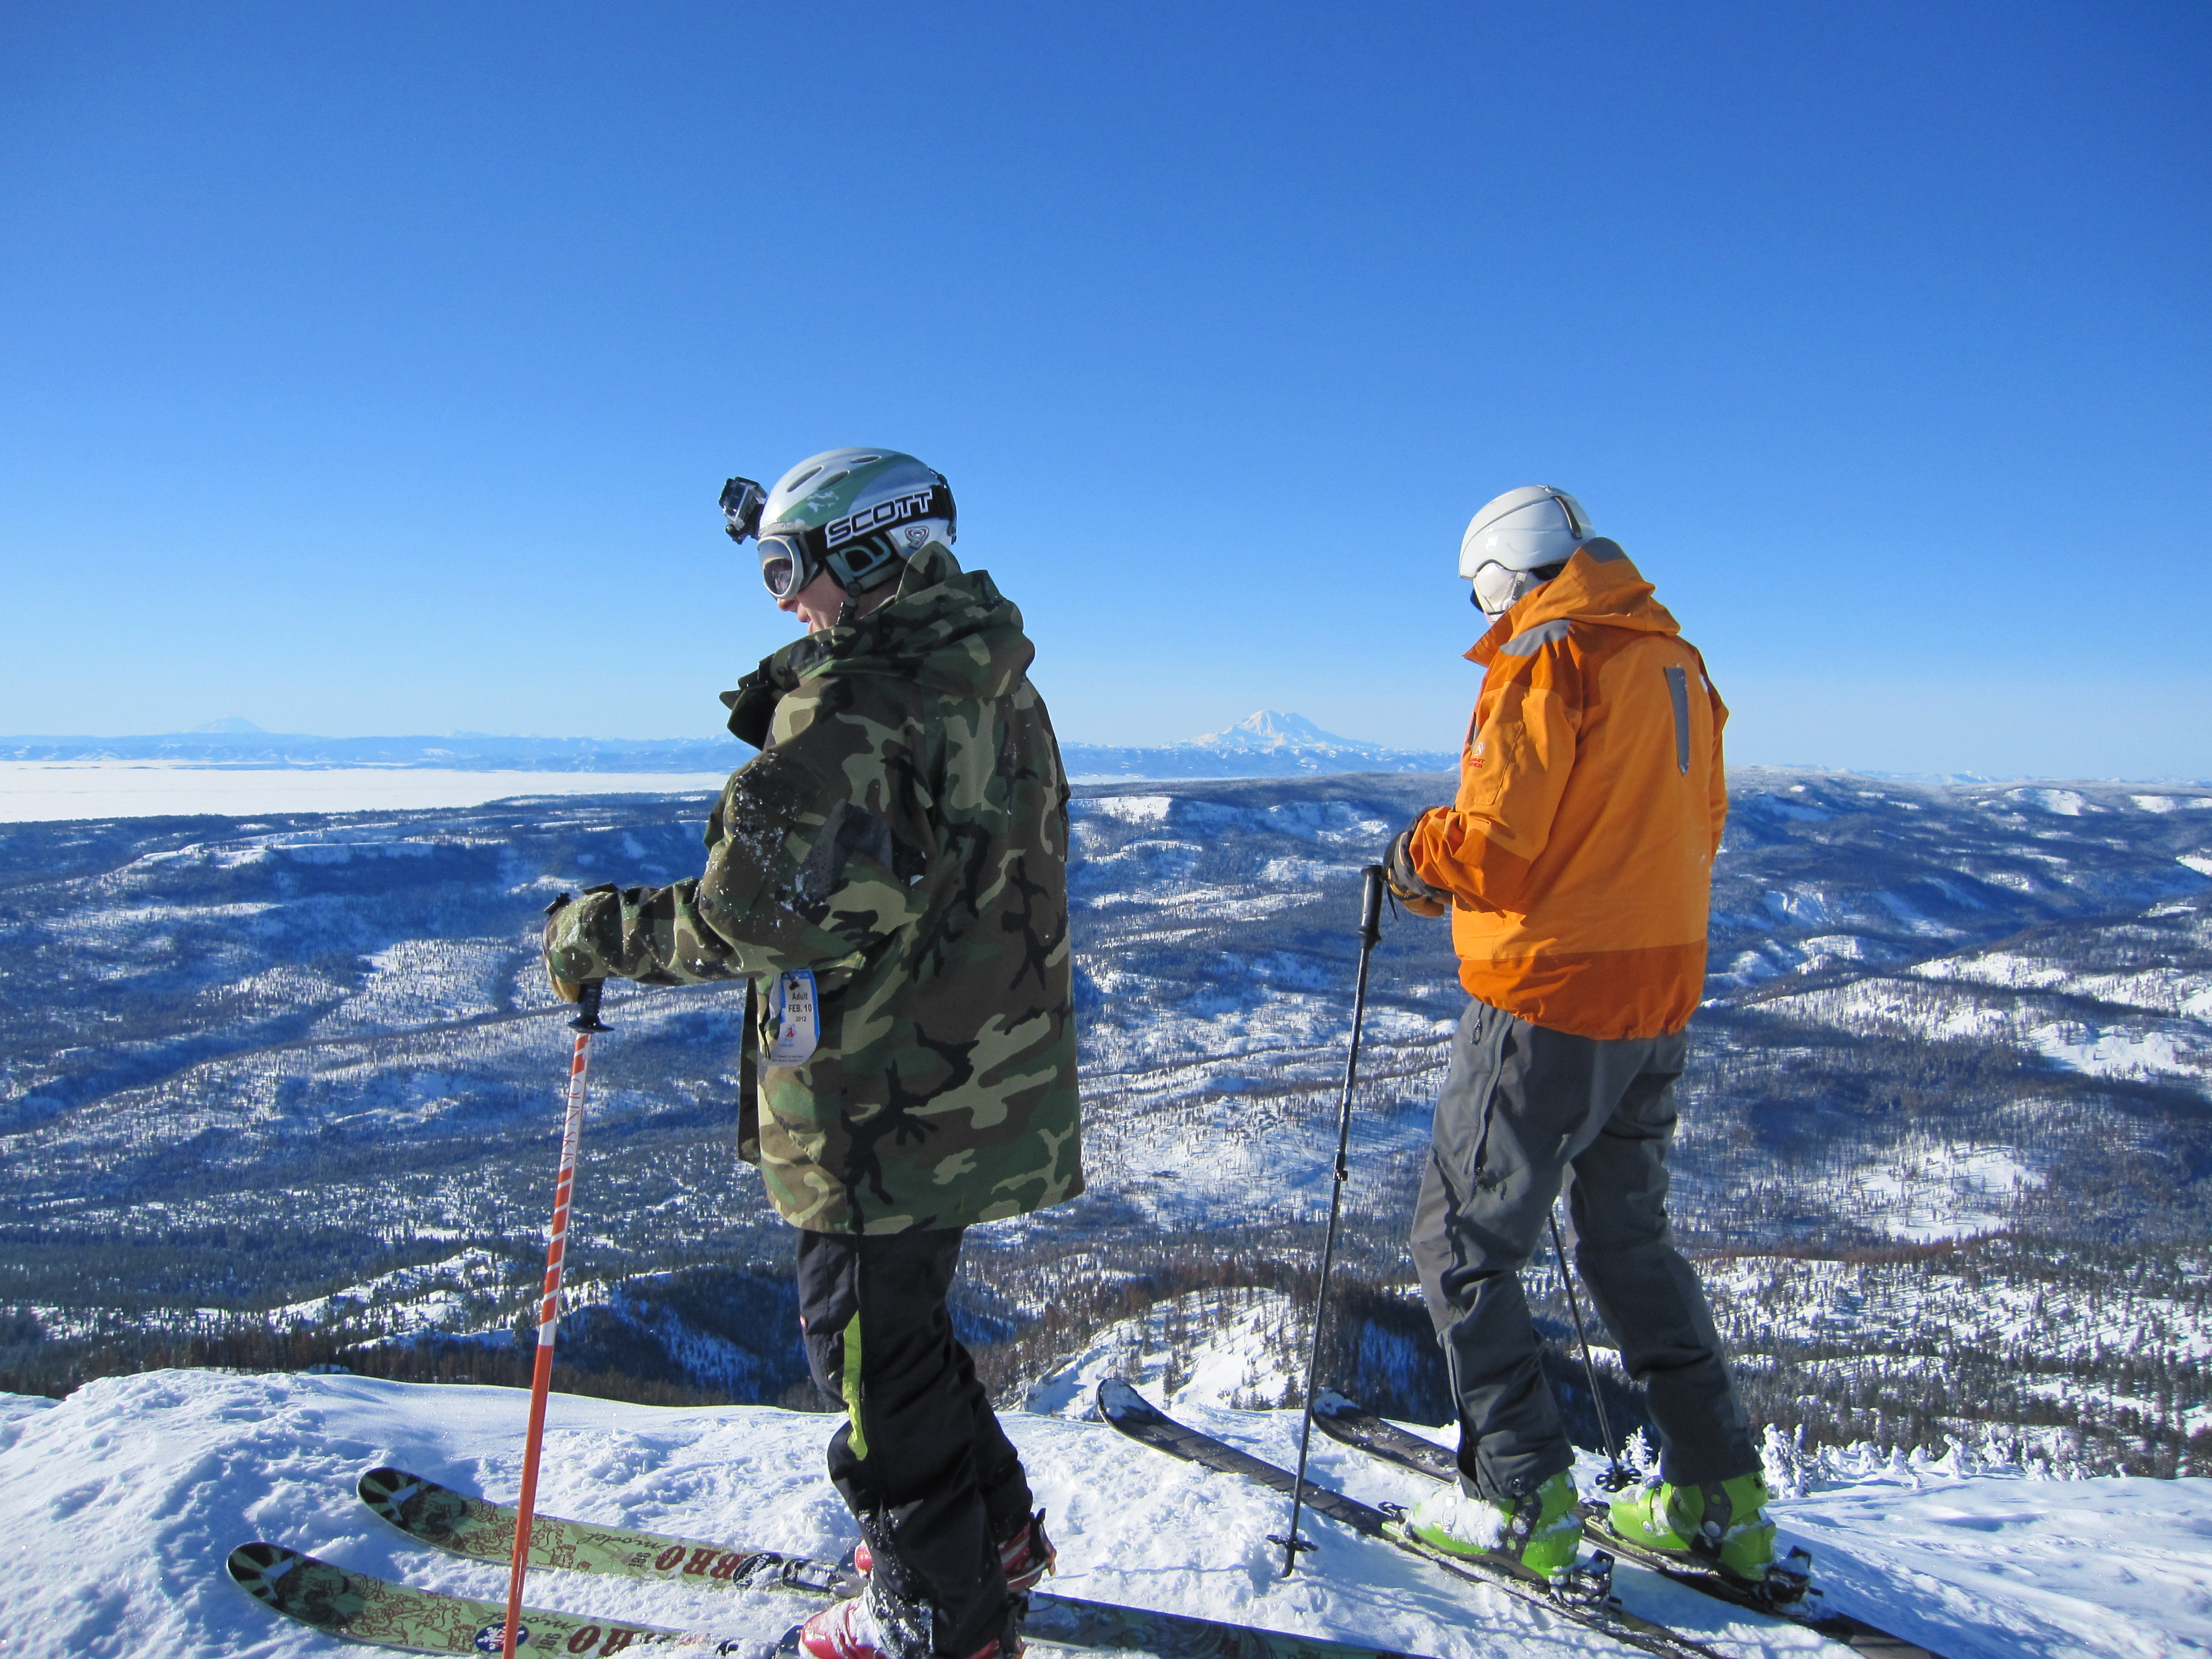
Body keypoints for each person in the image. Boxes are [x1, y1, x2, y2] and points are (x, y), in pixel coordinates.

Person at [541, 447, 1082, 1659]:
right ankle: (990, 1540)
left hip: (878, 1099)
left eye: (789, 569)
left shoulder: (855, 706)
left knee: (864, 1356)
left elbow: (749, 917)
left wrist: (595, 935)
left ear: (869, 549)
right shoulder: (991, 679)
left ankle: (933, 1614)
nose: (784, 603)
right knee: (902, 1334)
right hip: (972, 1076)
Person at [1381, 486, 1777, 1585]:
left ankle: (1519, 1499)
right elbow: (1703, 826)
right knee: (1627, 1241)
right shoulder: (1673, 661)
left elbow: (1494, 845)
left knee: (1460, 1246)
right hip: (1658, 993)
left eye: (1479, 590)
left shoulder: (1544, 656)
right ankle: (1718, 1494)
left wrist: (1414, 856)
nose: (1484, 609)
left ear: (1500, 573)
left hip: (1548, 998)